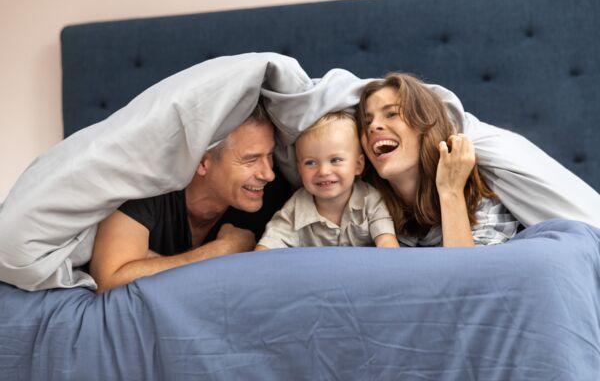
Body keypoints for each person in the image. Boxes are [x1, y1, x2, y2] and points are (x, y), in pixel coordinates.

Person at [90, 104, 276, 293]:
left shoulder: (274, 198)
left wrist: (148, 264)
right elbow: (108, 281)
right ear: (202, 162)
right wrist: (221, 251)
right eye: (251, 160)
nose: (269, 174)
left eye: (270, 155)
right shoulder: (148, 189)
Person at [357, 73, 520, 247]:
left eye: (391, 114)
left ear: (425, 125)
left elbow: (465, 271)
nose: (373, 126)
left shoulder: (481, 199)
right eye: (366, 122)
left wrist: (451, 192)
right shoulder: (361, 202)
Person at [256, 112, 399, 250]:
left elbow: (387, 244)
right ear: (299, 169)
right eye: (310, 163)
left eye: (335, 160)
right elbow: (269, 244)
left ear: (358, 165)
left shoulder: (371, 200)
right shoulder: (295, 207)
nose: (323, 171)